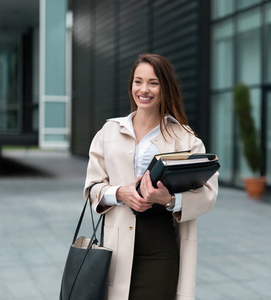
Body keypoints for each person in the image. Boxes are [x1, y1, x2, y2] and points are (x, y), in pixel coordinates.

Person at [84, 53, 218, 300]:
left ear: (165, 87)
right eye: (138, 81)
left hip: (161, 245)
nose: (144, 89)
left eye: (153, 83)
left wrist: (169, 199)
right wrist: (119, 193)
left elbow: (208, 196)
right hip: (116, 247)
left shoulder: (186, 139)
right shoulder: (109, 132)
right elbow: (92, 188)